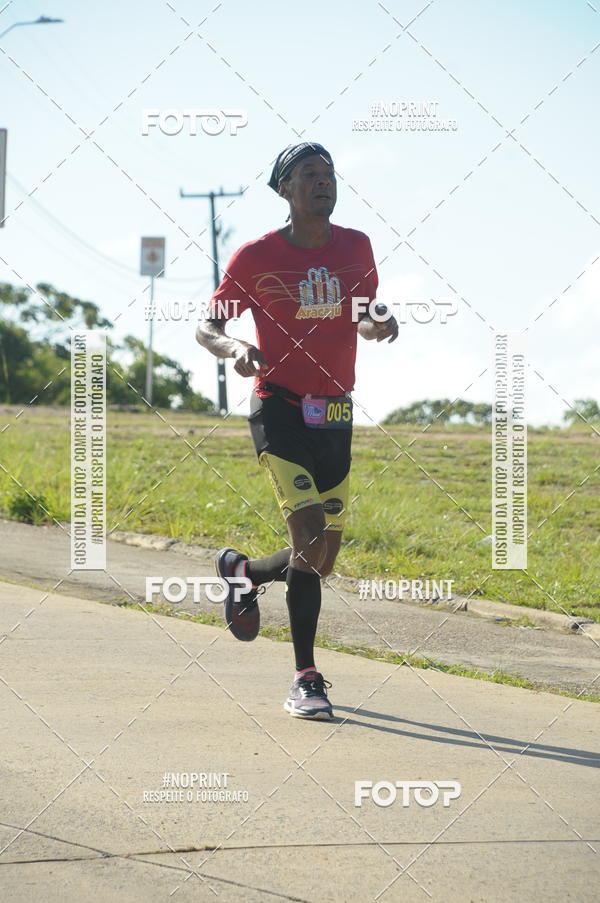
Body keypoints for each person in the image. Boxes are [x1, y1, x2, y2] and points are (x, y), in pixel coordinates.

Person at [196, 142, 398, 720]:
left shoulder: (356, 246)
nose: (323, 181)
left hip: (335, 414)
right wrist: (235, 347)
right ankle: (306, 678)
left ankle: (243, 572)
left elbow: (362, 311)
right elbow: (207, 325)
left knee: (320, 557)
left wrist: (378, 322)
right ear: (284, 188)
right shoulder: (257, 256)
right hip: (279, 408)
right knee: (308, 536)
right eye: (309, 174)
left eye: (329, 173)